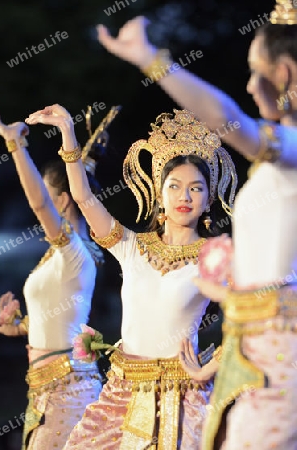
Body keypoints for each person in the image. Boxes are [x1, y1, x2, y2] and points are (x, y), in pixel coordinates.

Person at [96, 1, 297, 449]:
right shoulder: (277, 163)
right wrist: (228, 295)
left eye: (255, 71)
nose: (248, 84)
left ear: (283, 73)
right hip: (252, 357)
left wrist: (153, 61)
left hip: (280, 358)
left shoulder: (291, 149)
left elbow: (229, 119)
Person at [25, 105, 237, 449]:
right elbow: (82, 196)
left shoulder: (214, 257)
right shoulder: (131, 246)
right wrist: (67, 130)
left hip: (182, 401)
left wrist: (210, 367)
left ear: (209, 197)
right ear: (158, 193)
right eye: (174, 186)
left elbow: (253, 316)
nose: (184, 196)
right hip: (119, 398)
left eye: (196, 188)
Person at [0, 107, 119, 450]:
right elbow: (63, 319)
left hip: (69, 389)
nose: (41, 204)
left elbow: (36, 204)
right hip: (48, 388)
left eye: (48, 195)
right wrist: (19, 325)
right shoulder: (62, 256)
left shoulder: (75, 251)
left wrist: (15, 144)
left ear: (62, 201)